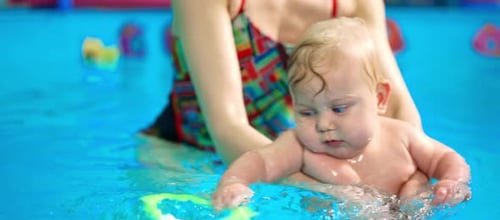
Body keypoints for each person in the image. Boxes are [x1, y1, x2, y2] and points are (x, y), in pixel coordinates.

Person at [211, 17, 472, 213]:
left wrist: (452, 182)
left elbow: (446, 158)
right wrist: (234, 182)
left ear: (379, 99)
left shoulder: (402, 136)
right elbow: (260, 161)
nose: (324, 124)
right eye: (307, 112)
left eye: (339, 109)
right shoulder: (299, 147)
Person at [141, 0, 422, 167]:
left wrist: (413, 175)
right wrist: (329, 181)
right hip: (184, 155)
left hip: (302, 157)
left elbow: (395, 107)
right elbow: (228, 127)